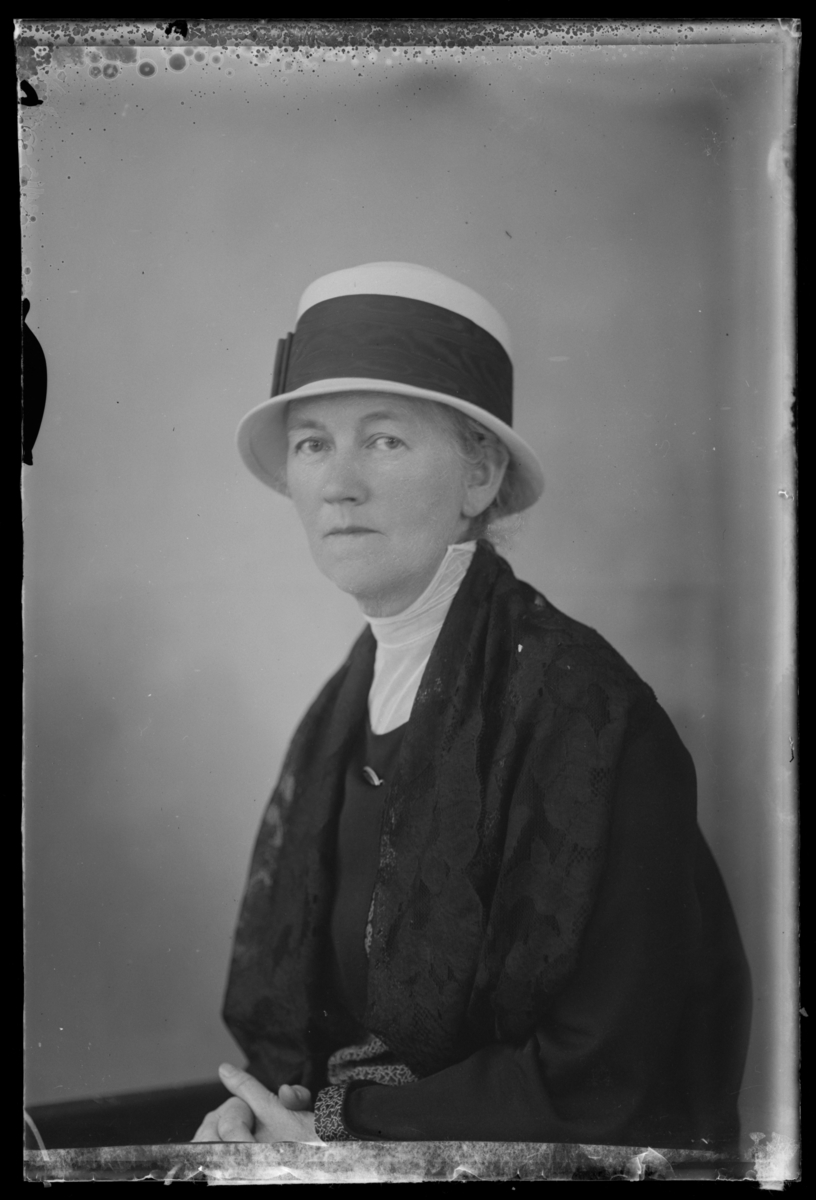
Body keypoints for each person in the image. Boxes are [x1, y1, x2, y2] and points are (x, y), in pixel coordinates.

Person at [193, 262, 751, 1148]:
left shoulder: (590, 715)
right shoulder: (335, 718)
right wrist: (263, 1111)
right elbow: (306, 1041)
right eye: (312, 444)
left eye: (384, 441)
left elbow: (603, 1080)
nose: (339, 484)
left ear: (480, 474)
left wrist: (340, 1131)